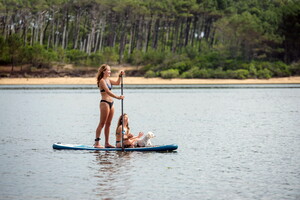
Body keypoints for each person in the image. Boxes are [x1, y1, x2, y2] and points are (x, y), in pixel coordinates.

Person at [94, 64, 125, 148]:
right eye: (108, 70)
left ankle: (107, 143)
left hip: (111, 103)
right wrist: (118, 97)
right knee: (102, 123)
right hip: (104, 103)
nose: (110, 71)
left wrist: (120, 76)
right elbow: (107, 91)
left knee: (109, 124)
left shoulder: (108, 80)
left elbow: (118, 83)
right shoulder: (102, 81)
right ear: (104, 71)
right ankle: (96, 143)